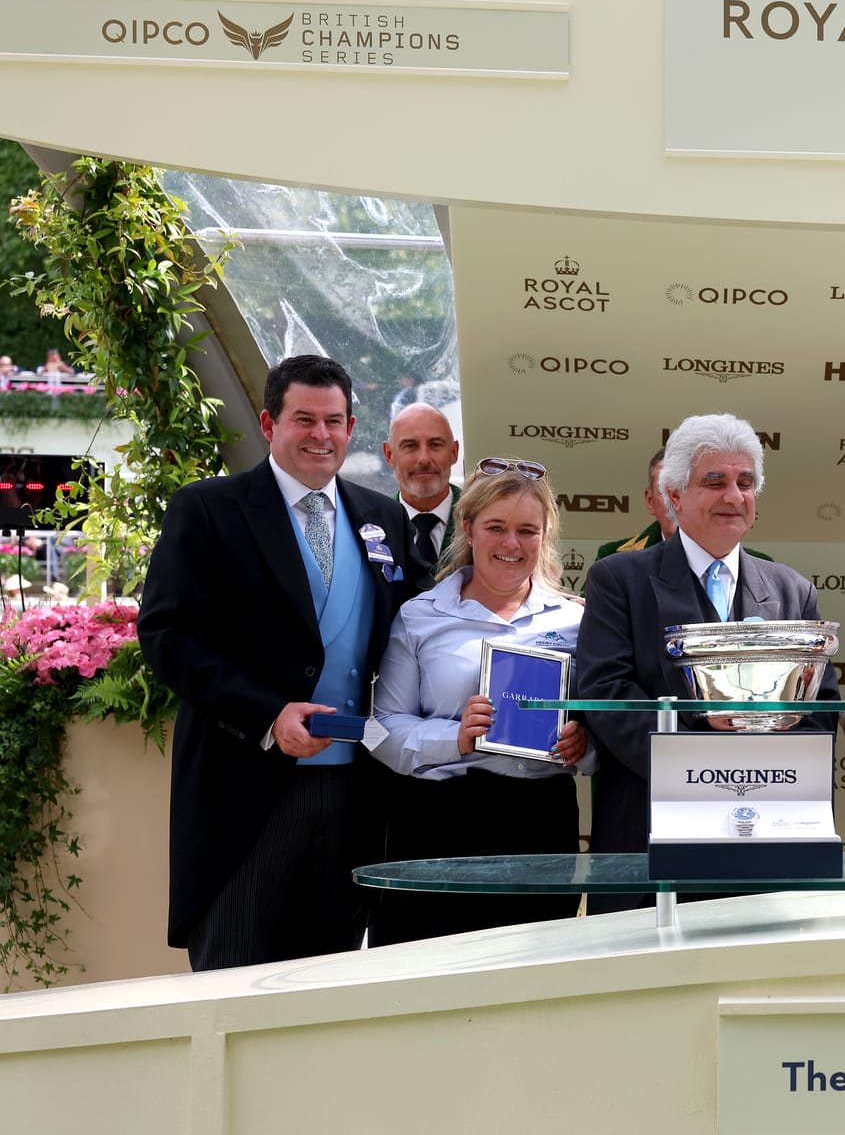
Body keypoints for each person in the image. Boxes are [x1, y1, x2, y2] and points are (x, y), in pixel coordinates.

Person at [137, 355, 411, 971]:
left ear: (351, 426)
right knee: (234, 972)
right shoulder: (209, 510)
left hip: (354, 793)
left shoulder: (383, 517)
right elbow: (167, 634)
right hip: (245, 788)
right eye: (304, 420)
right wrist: (266, 715)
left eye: (335, 421)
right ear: (268, 423)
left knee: (328, 977)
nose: (321, 435)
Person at [574, 414, 837, 895]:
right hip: (650, 834)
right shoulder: (619, 579)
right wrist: (700, 740)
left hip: (764, 833)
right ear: (674, 496)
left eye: (745, 482)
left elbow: (821, 708)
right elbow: (604, 693)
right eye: (714, 482)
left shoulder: (792, 590)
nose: (734, 496)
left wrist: (763, 774)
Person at [370, 463, 589, 943]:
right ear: (468, 529)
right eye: (496, 527)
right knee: (430, 977)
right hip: (439, 821)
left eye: (527, 530)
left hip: (540, 819)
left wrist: (584, 743)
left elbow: (604, 730)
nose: (511, 544)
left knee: (531, 976)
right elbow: (381, 727)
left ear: (544, 536)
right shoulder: (420, 615)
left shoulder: (578, 621)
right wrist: (456, 737)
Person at [382, 402, 460, 591]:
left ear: (454, 452)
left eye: (435, 445)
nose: (424, 458)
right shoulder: (372, 527)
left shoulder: (482, 520)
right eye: (410, 446)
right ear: (389, 454)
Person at [595, 445, 675, 562]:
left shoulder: (712, 553)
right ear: (650, 501)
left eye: (685, 490)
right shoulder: (612, 558)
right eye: (664, 492)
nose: (675, 502)